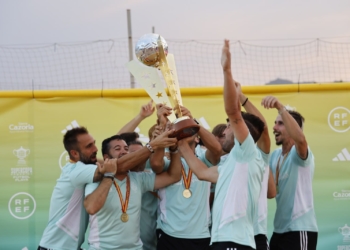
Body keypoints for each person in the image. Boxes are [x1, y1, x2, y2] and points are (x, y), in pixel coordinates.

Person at [178, 40, 267, 250]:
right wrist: (180, 140)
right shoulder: (231, 164)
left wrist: (226, 71)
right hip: (219, 241)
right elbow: (201, 172)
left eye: (228, 128)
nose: (225, 131)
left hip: (235, 243)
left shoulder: (247, 153)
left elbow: (233, 112)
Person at [83, 130, 181, 250]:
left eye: (126, 148)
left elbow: (173, 176)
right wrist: (109, 175)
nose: (123, 151)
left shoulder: (138, 178)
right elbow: (91, 207)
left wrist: (175, 150)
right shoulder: (96, 179)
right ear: (106, 157)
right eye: (117, 149)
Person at [150, 104, 222, 250]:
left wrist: (192, 122)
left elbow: (217, 149)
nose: (183, 131)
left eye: (188, 130)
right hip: (169, 233)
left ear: (197, 139)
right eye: (179, 129)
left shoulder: (204, 158)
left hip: (200, 235)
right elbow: (156, 165)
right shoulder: (169, 158)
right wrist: (163, 129)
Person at [38, 127, 117, 250]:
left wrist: (140, 117)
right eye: (89, 146)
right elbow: (113, 165)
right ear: (74, 153)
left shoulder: (81, 166)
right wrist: (150, 148)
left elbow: (115, 151)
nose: (95, 149)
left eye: (94, 143)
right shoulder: (76, 170)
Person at [261, 96, 318, 250]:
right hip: (279, 230)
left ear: (293, 127)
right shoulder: (274, 155)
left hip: (300, 229)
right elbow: (269, 192)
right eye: (275, 123)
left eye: (280, 123)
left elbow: (300, 139)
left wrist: (280, 107)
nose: (275, 127)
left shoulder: (299, 153)